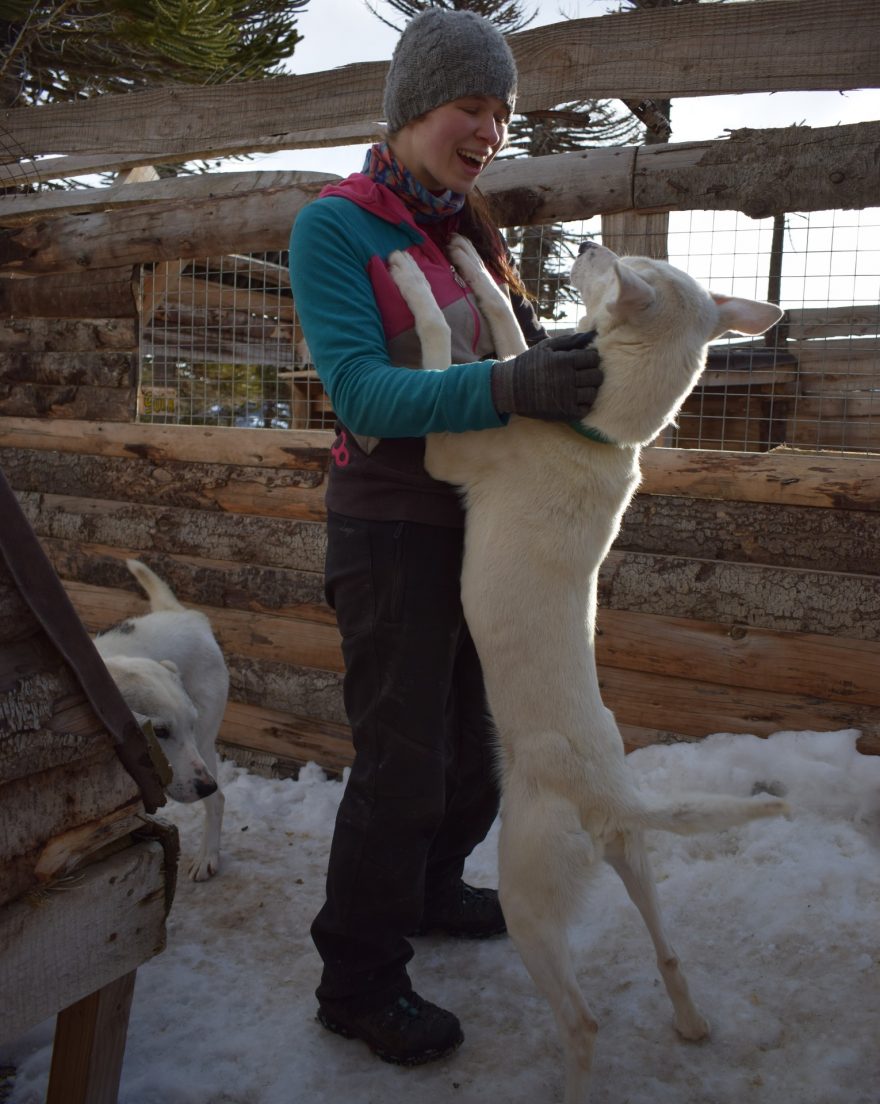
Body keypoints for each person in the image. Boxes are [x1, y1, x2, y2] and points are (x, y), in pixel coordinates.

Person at [288, 7, 602, 1068]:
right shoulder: (337, 227)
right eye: (472, 105)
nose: (490, 129)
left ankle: (424, 892)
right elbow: (363, 392)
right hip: (387, 531)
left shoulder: (463, 227)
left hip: (483, 524)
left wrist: (561, 362)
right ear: (416, 104)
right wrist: (511, 383)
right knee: (404, 763)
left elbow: (490, 357)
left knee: (474, 756)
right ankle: (358, 978)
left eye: (502, 113)